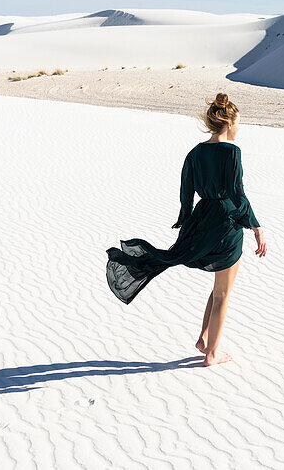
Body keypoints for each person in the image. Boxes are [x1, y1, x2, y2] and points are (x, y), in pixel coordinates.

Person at [105, 92, 267, 367]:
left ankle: (204, 339)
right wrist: (256, 227)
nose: (239, 128)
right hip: (226, 224)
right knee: (223, 293)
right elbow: (237, 194)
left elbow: (186, 190)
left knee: (219, 289)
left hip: (203, 219)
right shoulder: (232, 152)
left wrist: (187, 220)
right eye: (238, 123)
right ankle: (212, 354)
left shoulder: (196, 152)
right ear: (229, 124)